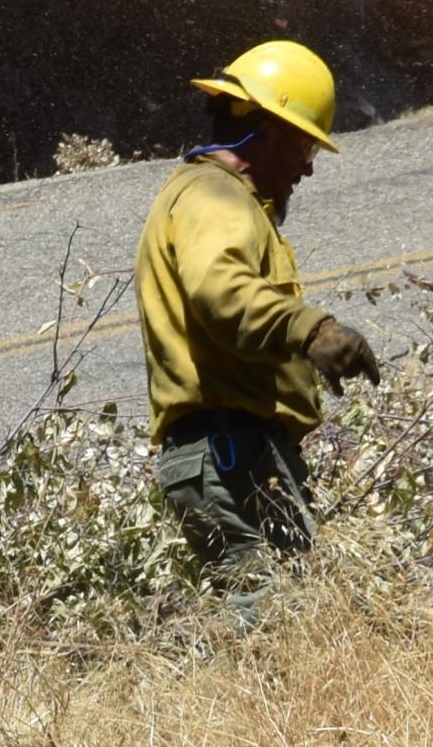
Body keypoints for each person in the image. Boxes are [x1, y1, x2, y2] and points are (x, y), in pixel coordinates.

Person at [135, 40, 380, 582]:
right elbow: (220, 291)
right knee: (272, 615)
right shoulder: (215, 197)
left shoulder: (214, 197)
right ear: (268, 132)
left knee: (287, 616)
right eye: (306, 150)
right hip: (229, 453)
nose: (307, 171)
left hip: (236, 451)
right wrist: (309, 327)